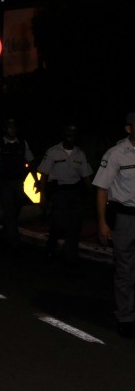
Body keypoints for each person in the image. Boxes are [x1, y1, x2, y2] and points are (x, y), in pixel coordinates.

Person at [92, 111, 135, 338]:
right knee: (124, 269)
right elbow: (102, 188)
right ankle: (126, 317)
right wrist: (102, 223)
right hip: (125, 218)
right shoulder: (116, 154)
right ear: (129, 128)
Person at [37, 123, 93, 265]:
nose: (71, 138)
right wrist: (42, 195)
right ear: (63, 135)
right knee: (58, 223)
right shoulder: (53, 152)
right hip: (58, 192)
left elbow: (86, 176)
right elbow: (44, 174)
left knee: (75, 224)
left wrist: (93, 194)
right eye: (68, 134)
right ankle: (50, 250)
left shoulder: (80, 154)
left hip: (74, 192)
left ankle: (70, 255)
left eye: (73, 135)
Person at [0, 118, 38, 254]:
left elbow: (31, 162)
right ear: (5, 129)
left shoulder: (22, 144)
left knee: (19, 202)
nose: (12, 130)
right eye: (9, 127)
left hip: (18, 182)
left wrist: (36, 181)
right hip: (3, 183)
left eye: (14, 127)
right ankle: (14, 242)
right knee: (9, 209)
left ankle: (5, 231)